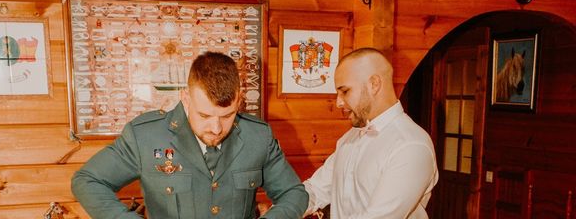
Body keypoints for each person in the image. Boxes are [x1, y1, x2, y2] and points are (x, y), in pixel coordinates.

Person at [72, 51, 308, 218]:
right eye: (205, 116)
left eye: (227, 116)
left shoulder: (258, 136)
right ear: (185, 98)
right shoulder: (145, 137)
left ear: (238, 100)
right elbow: (87, 181)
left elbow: (294, 194)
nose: (216, 128)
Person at [303, 48, 438, 218]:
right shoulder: (349, 139)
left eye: (345, 91)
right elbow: (317, 189)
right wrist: (280, 211)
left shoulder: (411, 146)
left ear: (374, 84)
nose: (338, 102)